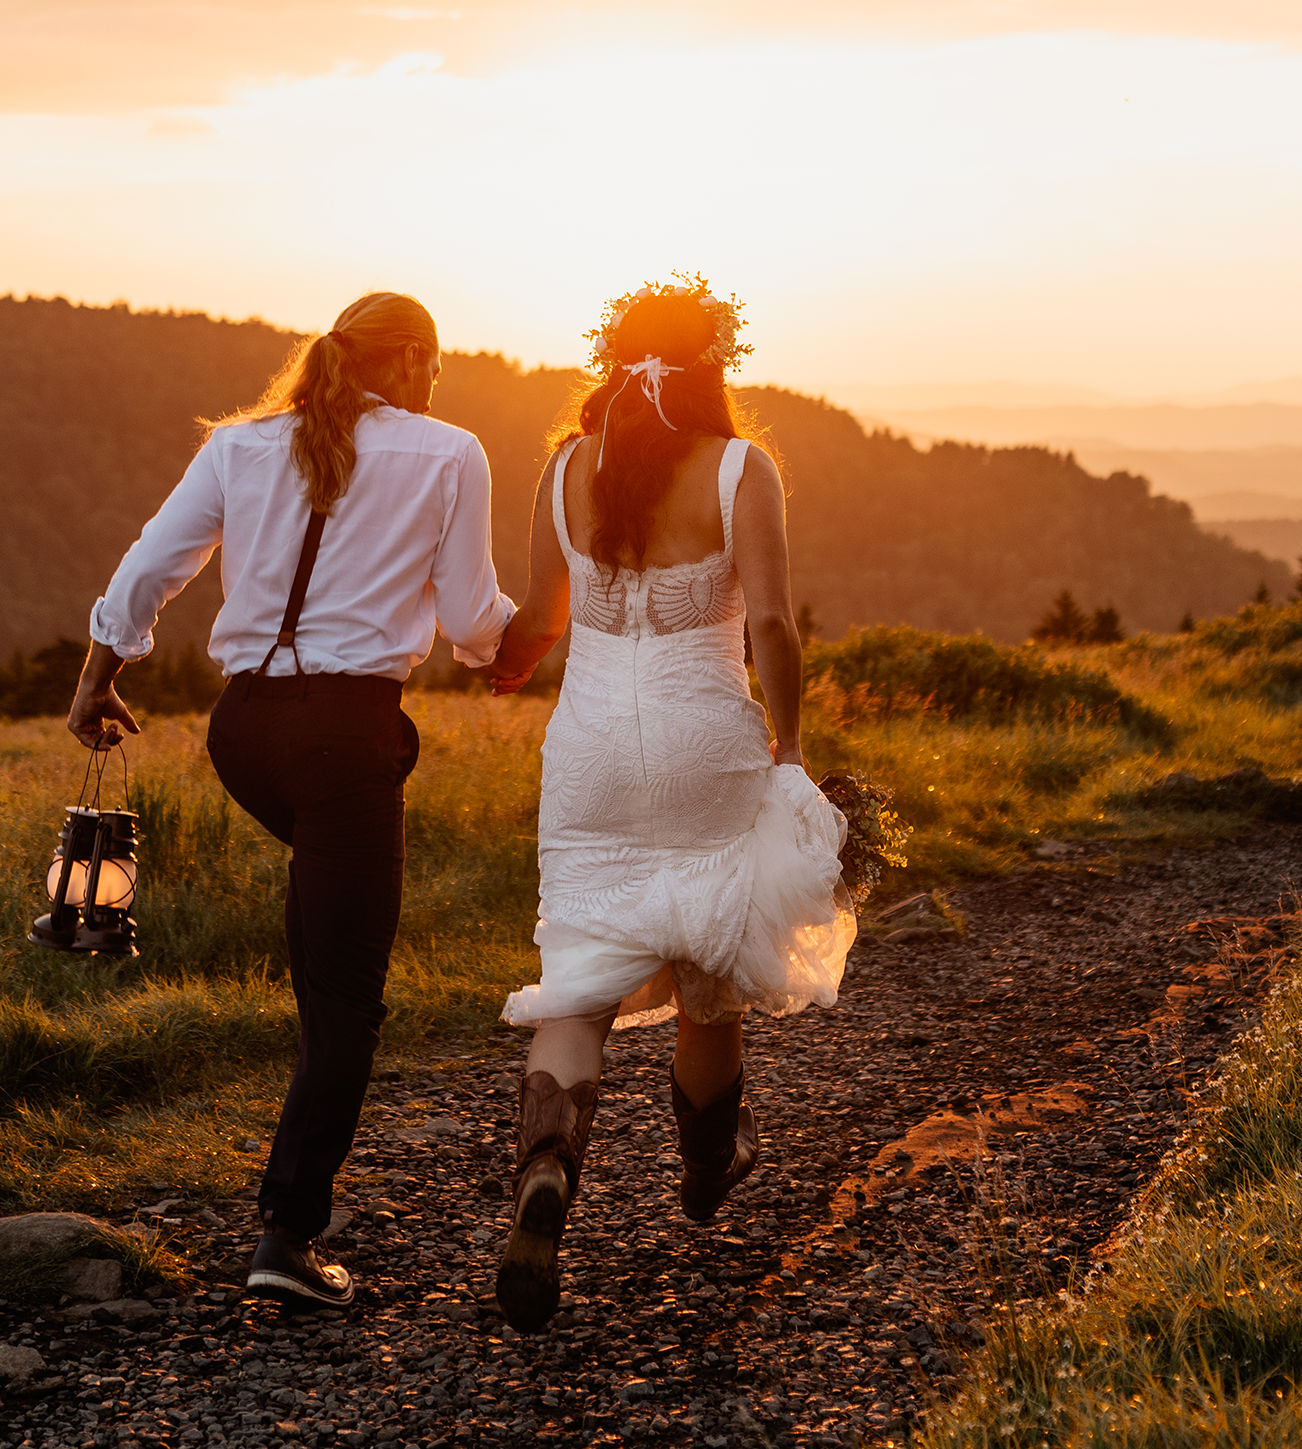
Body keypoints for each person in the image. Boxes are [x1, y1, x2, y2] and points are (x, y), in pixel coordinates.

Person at [65, 292, 513, 1309]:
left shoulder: (239, 446)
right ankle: (286, 1234)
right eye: (432, 365)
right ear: (403, 362)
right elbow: (471, 616)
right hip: (347, 739)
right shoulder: (449, 453)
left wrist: (97, 676)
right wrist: (511, 645)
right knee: (349, 1001)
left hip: (245, 733)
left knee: (327, 953)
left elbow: (149, 568)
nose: (436, 384)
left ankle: (295, 1159)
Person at [480, 278, 856, 1332]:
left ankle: (547, 1169)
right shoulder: (742, 468)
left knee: (579, 979)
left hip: (591, 751)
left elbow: (544, 617)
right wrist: (792, 754)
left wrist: (501, 658)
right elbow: (772, 627)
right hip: (706, 745)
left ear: (616, 362)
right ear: (712, 364)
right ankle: (703, 1162)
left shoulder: (564, 468)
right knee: (707, 965)